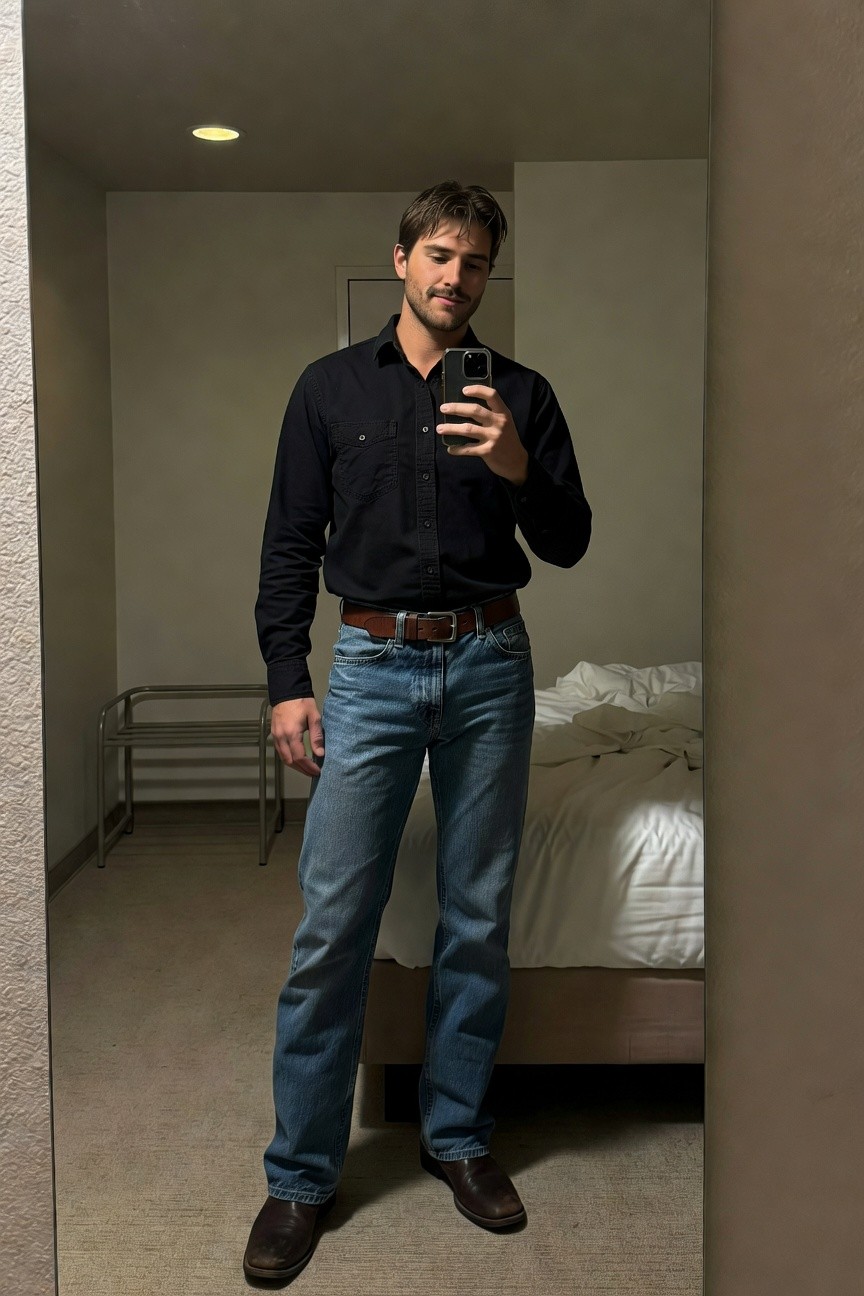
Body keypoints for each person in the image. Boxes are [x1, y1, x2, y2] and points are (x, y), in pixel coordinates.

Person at [243, 180, 592, 1282]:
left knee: (478, 913)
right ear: (401, 259)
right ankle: (301, 1175)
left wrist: (516, 467)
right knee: (333, 920)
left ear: (490, 277)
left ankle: (456, 1138)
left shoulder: (523, 396)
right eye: (440, 255)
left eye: (477, 263)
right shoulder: (328, 388)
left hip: (493, 661)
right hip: (374, 667)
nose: (456, 278)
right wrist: (287, 679)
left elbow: (572, 538)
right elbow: (291, 541)